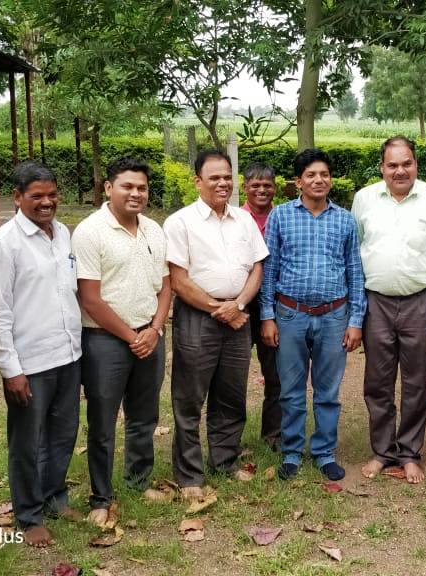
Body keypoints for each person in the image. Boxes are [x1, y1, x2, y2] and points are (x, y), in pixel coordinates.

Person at [0, 162, 81, 548]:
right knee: (27, 442)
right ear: (18, 197)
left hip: (68, 354)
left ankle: (55, 497)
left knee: (63, 433)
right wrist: (11, 370)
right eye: (36, 196)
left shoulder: (63, 233)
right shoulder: (2, 245)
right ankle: (29, 514)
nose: (46, 202)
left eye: (52, 194)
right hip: (30, 362)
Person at [352, 136, 426, 484]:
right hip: (376, 303)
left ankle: (409, 452)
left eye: (406, 163)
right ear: (382, 167)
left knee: (416, 382)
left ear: (416, 164)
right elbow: (355, 254)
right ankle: (383, 451)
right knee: (377, 381)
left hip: (420, 302)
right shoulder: (364, 199)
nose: (400, 171)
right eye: (393, 165)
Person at [72, 157, 172, 526]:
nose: (135, 193)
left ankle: (138, 480)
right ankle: (101, 497)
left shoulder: (153, 229)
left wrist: (155, 329)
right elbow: (90, 299)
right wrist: (132, 337)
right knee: (102, 420)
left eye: (141, 187)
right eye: (127, 186)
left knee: (144, 415)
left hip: (150, 335)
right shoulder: (90, 232)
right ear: (108, 188)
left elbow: (166, 285)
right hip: (105, 341)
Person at [164, 149, 268, 500]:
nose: (223, 183)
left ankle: (225, 460)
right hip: (198, 316)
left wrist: (237, 305)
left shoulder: (244, 220)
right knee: (190, 397)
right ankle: (189, 474)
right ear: (198, 182)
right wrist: (219, 308)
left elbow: (257, 267)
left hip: (238, 315)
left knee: (231, 394)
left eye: (227, 177)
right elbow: (178, 279)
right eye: (214, 178)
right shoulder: (180, 222)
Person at [259, 148, 366, 481]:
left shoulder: (345, 219)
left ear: (331, 179)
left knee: (327, 391)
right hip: (290, 314)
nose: (318, 180)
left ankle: (324, 452)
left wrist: (355, 321)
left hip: (334, 316)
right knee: (290, 390)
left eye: (324, 174)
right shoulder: (281, 216)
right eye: (311, 175)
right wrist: (267, 315)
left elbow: (354, 270)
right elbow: (270, 268)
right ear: (298, 182)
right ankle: (292, 452)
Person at [241, 162, 283, 450]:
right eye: (255, 185)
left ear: (275, 188)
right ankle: (229, 439)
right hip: (241, 303)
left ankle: (274, 436)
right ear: (245, 187)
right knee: (233, 374)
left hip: (274, 306)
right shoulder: (235, 219)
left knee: (276, 374)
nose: (261, 190)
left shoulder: (283, 218)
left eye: (267, 185)